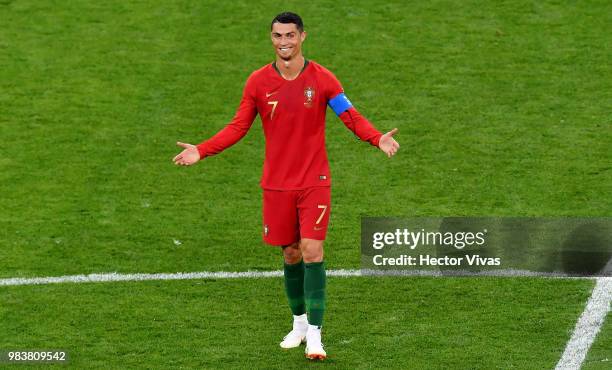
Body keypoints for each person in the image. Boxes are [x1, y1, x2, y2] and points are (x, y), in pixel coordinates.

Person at [173, 12, 399, 360]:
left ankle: (316, 336)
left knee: (312, 251)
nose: (284, 42)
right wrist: (202, 150)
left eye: (290, 35)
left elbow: (348, 115)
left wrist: (376, 138)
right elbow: (238, 126)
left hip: (314, 182)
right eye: (278, 36)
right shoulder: (257, 83)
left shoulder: (323, 79)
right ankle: (298, 323)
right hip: (277, 185)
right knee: (291, 253)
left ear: (303, 37)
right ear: (271, 38)